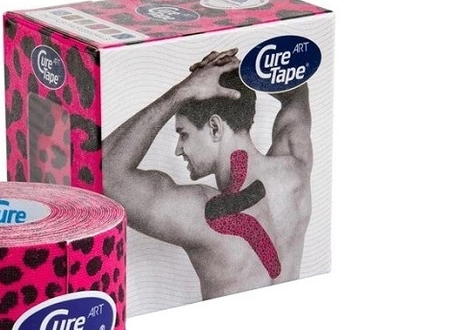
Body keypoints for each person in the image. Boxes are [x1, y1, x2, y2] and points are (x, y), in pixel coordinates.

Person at [102, 48, 312, 300]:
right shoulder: (295, 168)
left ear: (214, 127)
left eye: (183, 134)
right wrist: (245, 71)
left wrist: (183, 91)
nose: (178, 149)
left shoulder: (200, 213)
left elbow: (103, 172)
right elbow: (297, 90)